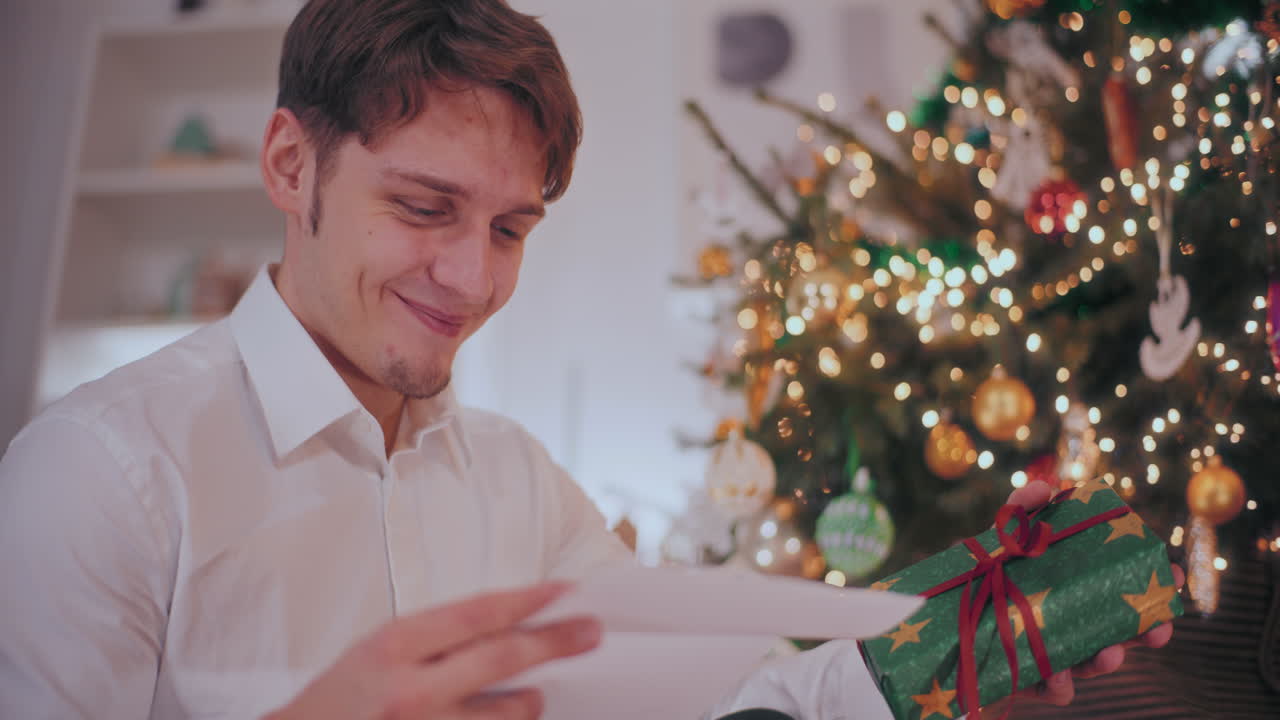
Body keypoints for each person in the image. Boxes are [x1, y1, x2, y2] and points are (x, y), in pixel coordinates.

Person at [0, 1, 1179, 718]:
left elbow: (728, 706)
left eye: (509, 230)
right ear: (289, 165)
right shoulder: (100, 474)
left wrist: (962, 634)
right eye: (422, 207)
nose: (471, 279)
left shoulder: (516, 481)